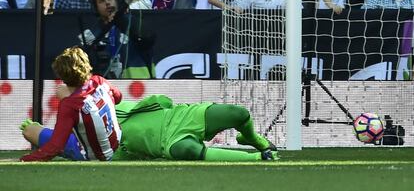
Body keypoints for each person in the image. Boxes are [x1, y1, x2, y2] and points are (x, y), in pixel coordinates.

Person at [21, 92, 278, 161]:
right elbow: (31, 131)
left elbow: (65, 90)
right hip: (167, 145)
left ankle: (254, 140)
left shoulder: (109, 108)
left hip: (179, 118)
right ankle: (258, 155)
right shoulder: (84, 147)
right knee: (188, 152)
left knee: (238, 113)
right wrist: (33, 129)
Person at [20, 46, 123, 161]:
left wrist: (26, 159)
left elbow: (55, 146)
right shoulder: (99, 81)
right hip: (116, 143)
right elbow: (118, 97)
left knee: (29, 130)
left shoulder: (69, 105)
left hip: (94, 155)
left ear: (62, 77)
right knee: (61, 91)